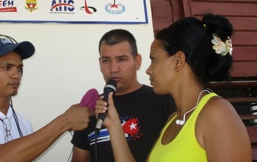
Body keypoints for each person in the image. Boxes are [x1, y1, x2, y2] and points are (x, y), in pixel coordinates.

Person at [96, 14, 252, 162]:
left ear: (178, 61)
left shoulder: (217, 113)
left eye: (154, 59)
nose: (148, 70)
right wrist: (114, 125)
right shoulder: (173, 120)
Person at [71, 29, 176, 162]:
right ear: (100, 64)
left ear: (137, 61)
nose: (113, 68)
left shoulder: (164, 101)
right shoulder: (91, 108)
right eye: (106, 61)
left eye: (122, 59)